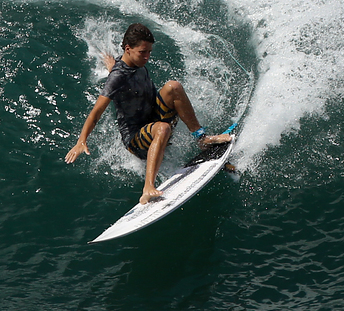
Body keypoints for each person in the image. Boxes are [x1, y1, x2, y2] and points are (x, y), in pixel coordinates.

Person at [66, 22, 231, 204]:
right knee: (162, 129)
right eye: (142, 52)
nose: (147, 57)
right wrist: (81, 141)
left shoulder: (131, 64)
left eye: (149, 52)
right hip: (137, 138)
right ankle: (148, 187)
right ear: (128, 49)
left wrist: (111, 63)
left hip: (153, 117)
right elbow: (95, 112)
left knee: (173, 87)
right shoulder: (117, 78)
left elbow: (118, 67)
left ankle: (202, 139)